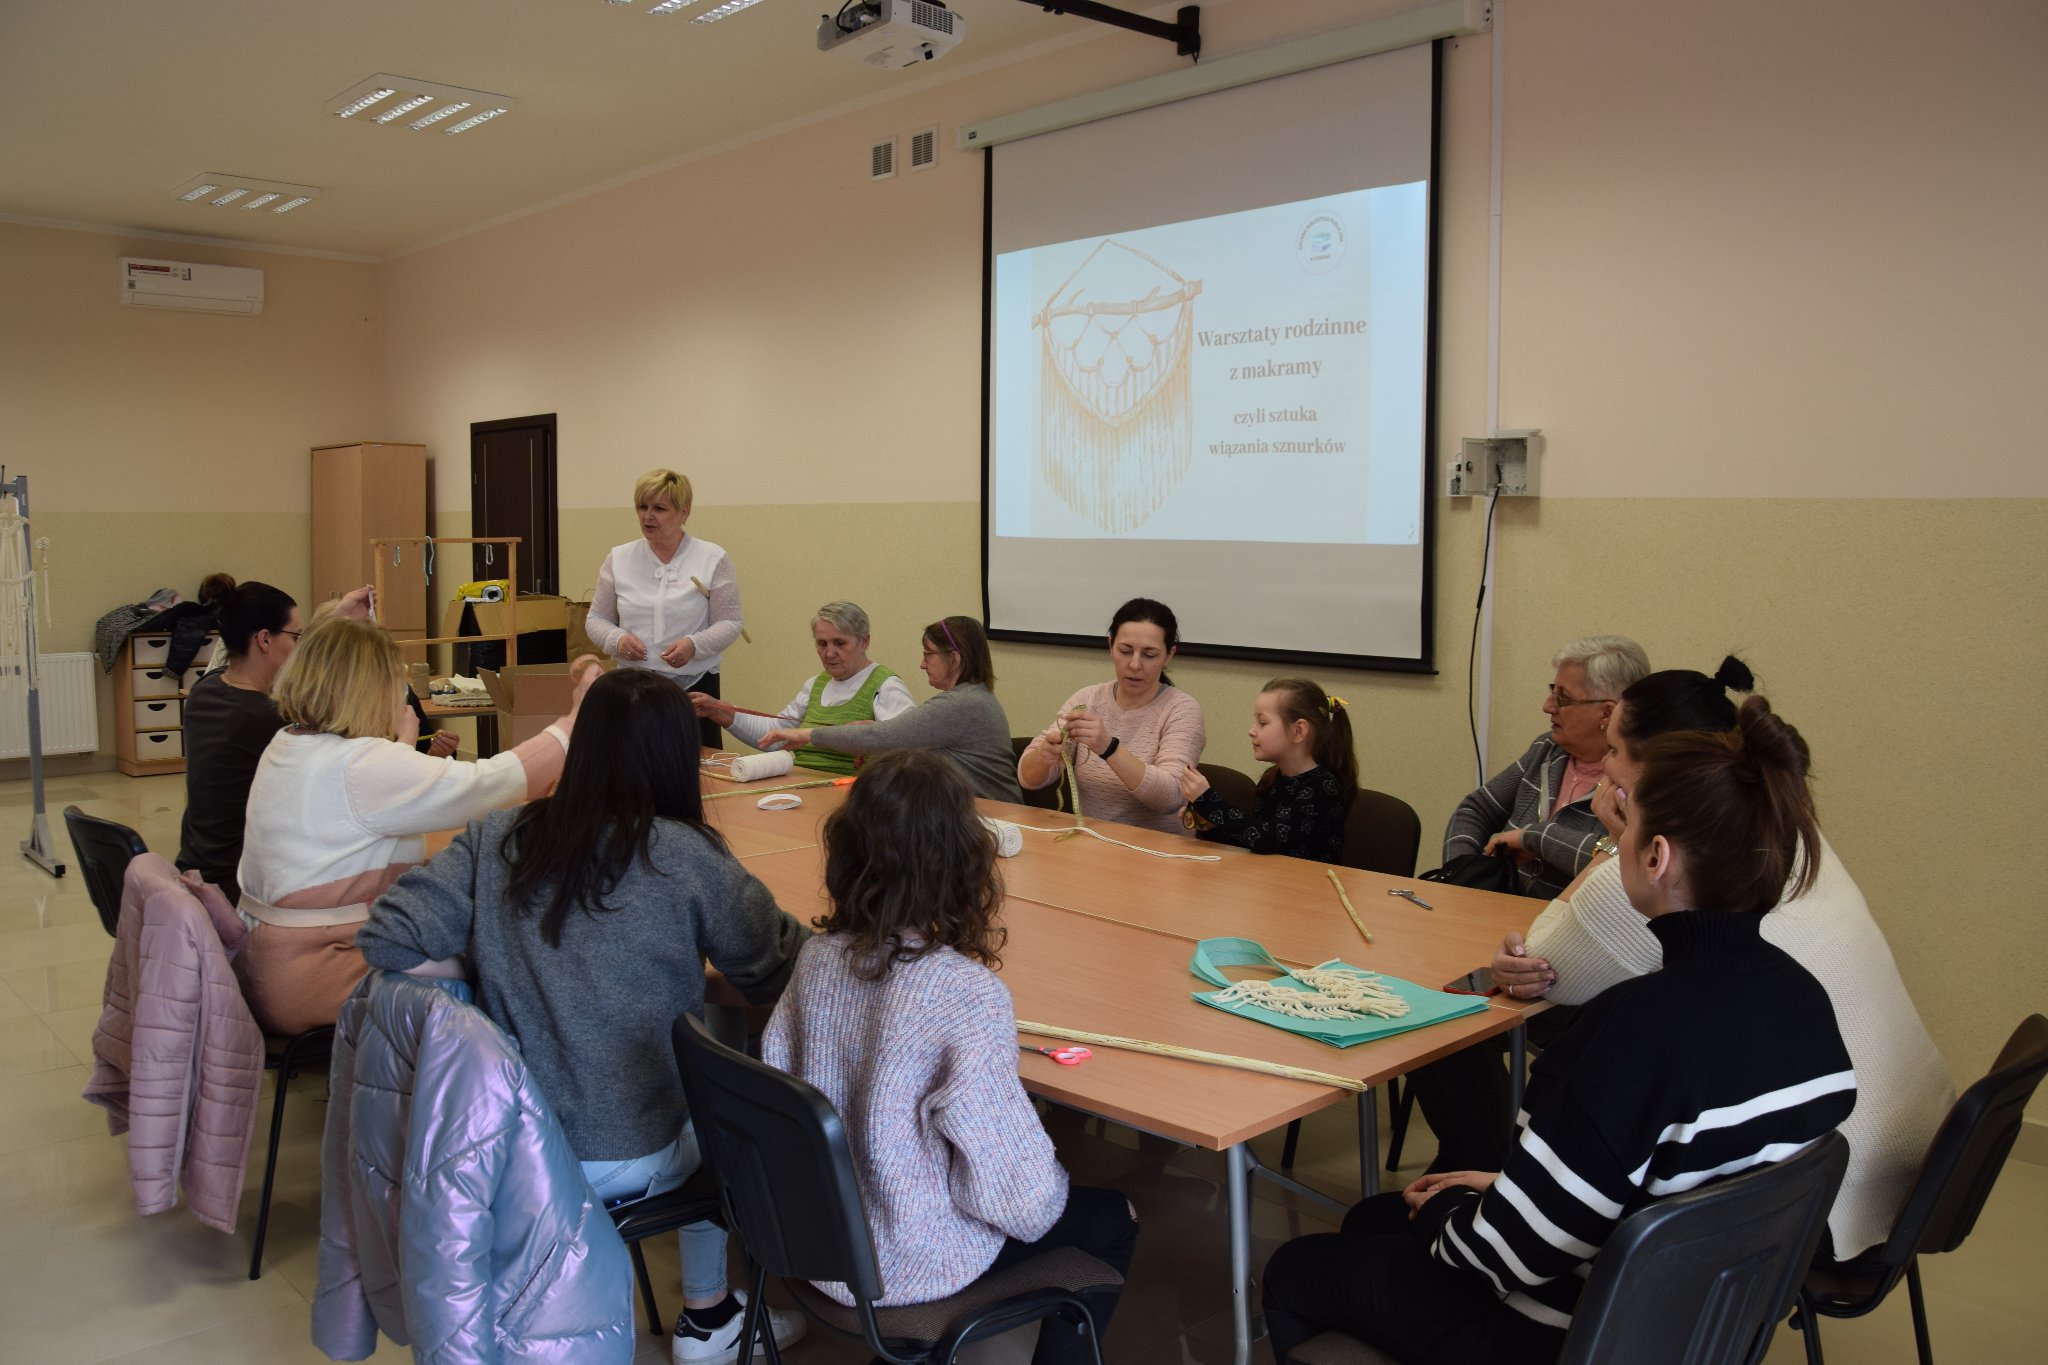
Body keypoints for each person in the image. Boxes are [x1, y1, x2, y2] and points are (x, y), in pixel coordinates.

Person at [1262, 696, 1857, 1362]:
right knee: (1376, 1216)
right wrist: (1499, 1189)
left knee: (1297, 1267)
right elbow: (1664, 1183)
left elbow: (1503, 1258)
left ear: (1656, 857)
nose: (1613, 844)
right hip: (1689, 1321)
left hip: (1564, 1332)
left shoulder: (1633, 1025)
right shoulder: (1804, 998)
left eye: (1624, 827)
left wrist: (1448, 1212)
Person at [358, 669, 809, 1365]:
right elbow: (777, 969)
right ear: (677, 755)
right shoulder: (688, 854)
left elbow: (388, 937)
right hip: (630, 1151)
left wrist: (486, 965)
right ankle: (709, 1312)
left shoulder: (498, 836)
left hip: (516, 1145)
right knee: (725, 1080)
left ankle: (708, 1308)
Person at [1482, 659, 1954, 1263]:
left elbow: (1547, 962)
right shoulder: (1775, 825)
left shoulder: (1668, 868)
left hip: (1820, 1199)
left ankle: (1509, 1190)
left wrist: (1616, 845)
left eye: (1615, 749)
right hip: (1913, 1152)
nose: (1605, 765)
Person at [762, 750, 1139, 1364]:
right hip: (904, 1260)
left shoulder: (815, 959)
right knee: (1114, 1218)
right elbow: (1020, 1201)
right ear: (964, 862)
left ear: (847, 853)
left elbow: (779, 1089)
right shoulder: (965, 995)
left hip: (812, 1236)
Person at [232, 616, 598, 1037]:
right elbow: (490, 785)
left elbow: (363, 801)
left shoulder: (288, 743)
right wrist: (574, 723)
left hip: (268, 964)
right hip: (318, 971)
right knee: (498, 964)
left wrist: (402, 748)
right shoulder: (360, 765)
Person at [179, 579, 460, 906]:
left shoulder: (206, 691)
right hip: (243, 891)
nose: (300, 646)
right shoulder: (274, 723)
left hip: (197, 871)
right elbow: (381, 777)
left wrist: (336, 620)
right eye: (296, 636)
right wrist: (405, 739)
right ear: (264, 639)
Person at [1440, 635, 1649, 897]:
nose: (1547, 706)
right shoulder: (1547, 749)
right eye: (1553, 691)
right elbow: (1475, 810)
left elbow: (1623, 862)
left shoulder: (1635, 780)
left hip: (1568, 917)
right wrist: (1462, 875)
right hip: (1498, 907)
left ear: (1607, 713)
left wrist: (1536, 838)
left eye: (1563, 698)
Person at [759, 615, 1022, 802]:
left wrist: (806, 734)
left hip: (993, 817)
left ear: (953, 659)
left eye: (928, 654)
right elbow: (898, 737)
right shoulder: (972, 698)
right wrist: (881, 732)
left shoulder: (961, 704)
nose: (922, 664)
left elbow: (880, 737)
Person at [585, 468, 744, 753]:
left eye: (659, 509)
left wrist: (694, 645)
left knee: (693, 768)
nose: (648, 516)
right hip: (632, 688)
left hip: (695, 688)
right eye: (642, 507)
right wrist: (617, 640)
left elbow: (730, 622)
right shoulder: (618, 558)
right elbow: (596, 619)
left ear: (684, 512)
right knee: (632, 765)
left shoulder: (712, 558)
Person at [1016, 598, 1205, 835]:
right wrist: (1044, 756)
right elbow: (1027, 779)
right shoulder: (1087, 699)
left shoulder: (1183, 710)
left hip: (1157, 850)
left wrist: (1109, 748)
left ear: (1169, 655)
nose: (1134, 664)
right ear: (1110, 646)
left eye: (1149, 655)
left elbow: (1171, 796)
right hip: (1093, 843)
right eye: (1125, 651)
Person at [691, 600, 914, 776]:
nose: (829, 653)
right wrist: (719, 710)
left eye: (840, 643)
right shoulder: (816, 684)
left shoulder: (885, 685)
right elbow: (777, 736)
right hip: (799, 785)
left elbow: (910, 746)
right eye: (822, 644)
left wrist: (874, 733)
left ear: (864, 642)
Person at [1177, 678, 1354, 862]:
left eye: (1262, 723)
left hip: (1309, 879)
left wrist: (1208, 801)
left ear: (1298, 731)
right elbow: (1255, 843)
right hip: (1271, 875)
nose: (1252, 731)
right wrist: (1212, 826)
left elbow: (1267, 840)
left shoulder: (1323, 787)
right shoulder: (1272, 777)